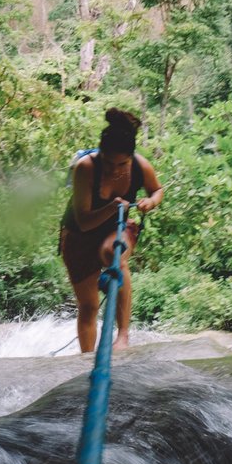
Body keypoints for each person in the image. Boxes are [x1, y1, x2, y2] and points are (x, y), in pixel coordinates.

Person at [60, 108, 163, 353]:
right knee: (89, 306)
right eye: (109, 163)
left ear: (131, 157)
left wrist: (152, 202)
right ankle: (87, 358)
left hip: (116, 228)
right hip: (79, 235)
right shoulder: (85, 168)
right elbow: (84, 221)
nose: (115, 170)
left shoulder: (140, 165)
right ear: (100, 154)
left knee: (112, 253)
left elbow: (157, 189)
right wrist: (110, 207)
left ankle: (123, 335)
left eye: (122, 164)